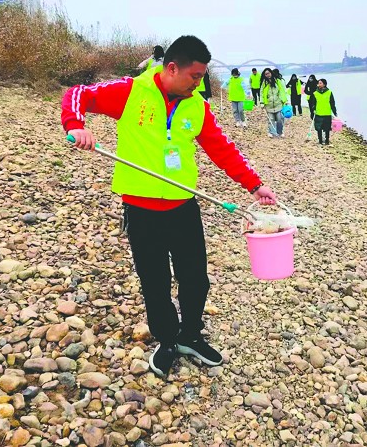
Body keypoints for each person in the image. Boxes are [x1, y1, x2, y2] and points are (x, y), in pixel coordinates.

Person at [62, 35, 277, 377]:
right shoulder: (131, 91)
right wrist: (76, 126)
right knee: (155, 281)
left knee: (196, 279)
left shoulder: (196, 106)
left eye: (202, 77)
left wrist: (254, 185)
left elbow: (222, 149)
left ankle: (190, 335)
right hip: (142, 211)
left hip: (183, 207)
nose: (199, 84)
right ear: (172, 68)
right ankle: (167, 340)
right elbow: (77, 94)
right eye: (195, 76)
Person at [308, 78, 337, 145]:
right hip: (318, 113)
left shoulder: (329, 92)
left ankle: (327, 140)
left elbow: (332, 103)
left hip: (327, 113)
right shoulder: (315, 93)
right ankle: (320, 140)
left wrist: (334, 112)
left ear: (324, 84)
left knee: (327, 128)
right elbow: (313, 103)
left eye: (320, 83)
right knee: (319, 128)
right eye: (318, 83)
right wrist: (312, 111)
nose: (318, 84)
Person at [260, 67, 288, 138]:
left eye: (268, 73)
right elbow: (261, 93)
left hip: (278, 104)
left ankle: (280, 132)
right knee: (271, 119)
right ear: (264, 75)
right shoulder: (264, 83)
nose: (268, 75)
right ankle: (271, 132)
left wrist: (285, 100)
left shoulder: (277, 81)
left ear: (271, 73)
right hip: (268, 105)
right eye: (266, 74)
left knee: (280, 119)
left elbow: (282, 91)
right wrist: (262, 102)